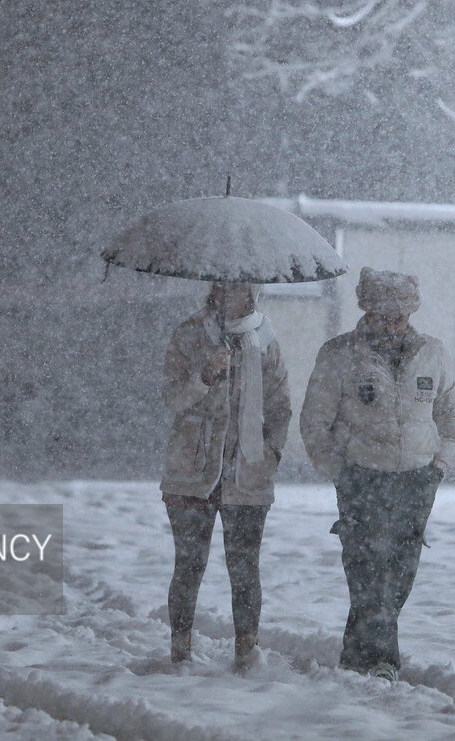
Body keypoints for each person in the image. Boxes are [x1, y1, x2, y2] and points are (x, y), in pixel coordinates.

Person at [299, 267, 455, 682]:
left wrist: (439, 465)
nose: (391, 325)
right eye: (382, 315)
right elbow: (316, 422)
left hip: (417, 479)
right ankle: (382, 662)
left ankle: (356, 657)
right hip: (362, 479)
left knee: (400, 573)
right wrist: (341, 473)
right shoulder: (340, 354)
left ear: (411, 313)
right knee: (369, 573)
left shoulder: (433, 352)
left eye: (399, 316)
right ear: (366, 309)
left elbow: (449, 411)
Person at [160, 281, 291, 669]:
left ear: (252, 292)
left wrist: (267, 456)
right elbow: (172, 398)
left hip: (247, 474)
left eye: (240, 286)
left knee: (244, 566)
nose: (230, 292)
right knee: (189, 563)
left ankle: (247, 653)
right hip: (191, 472)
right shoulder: (189, 333)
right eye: (224, 285)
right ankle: (180, 651)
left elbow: (280, 406)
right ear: (213, 289)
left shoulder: (265, 338)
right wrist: (205, 373)